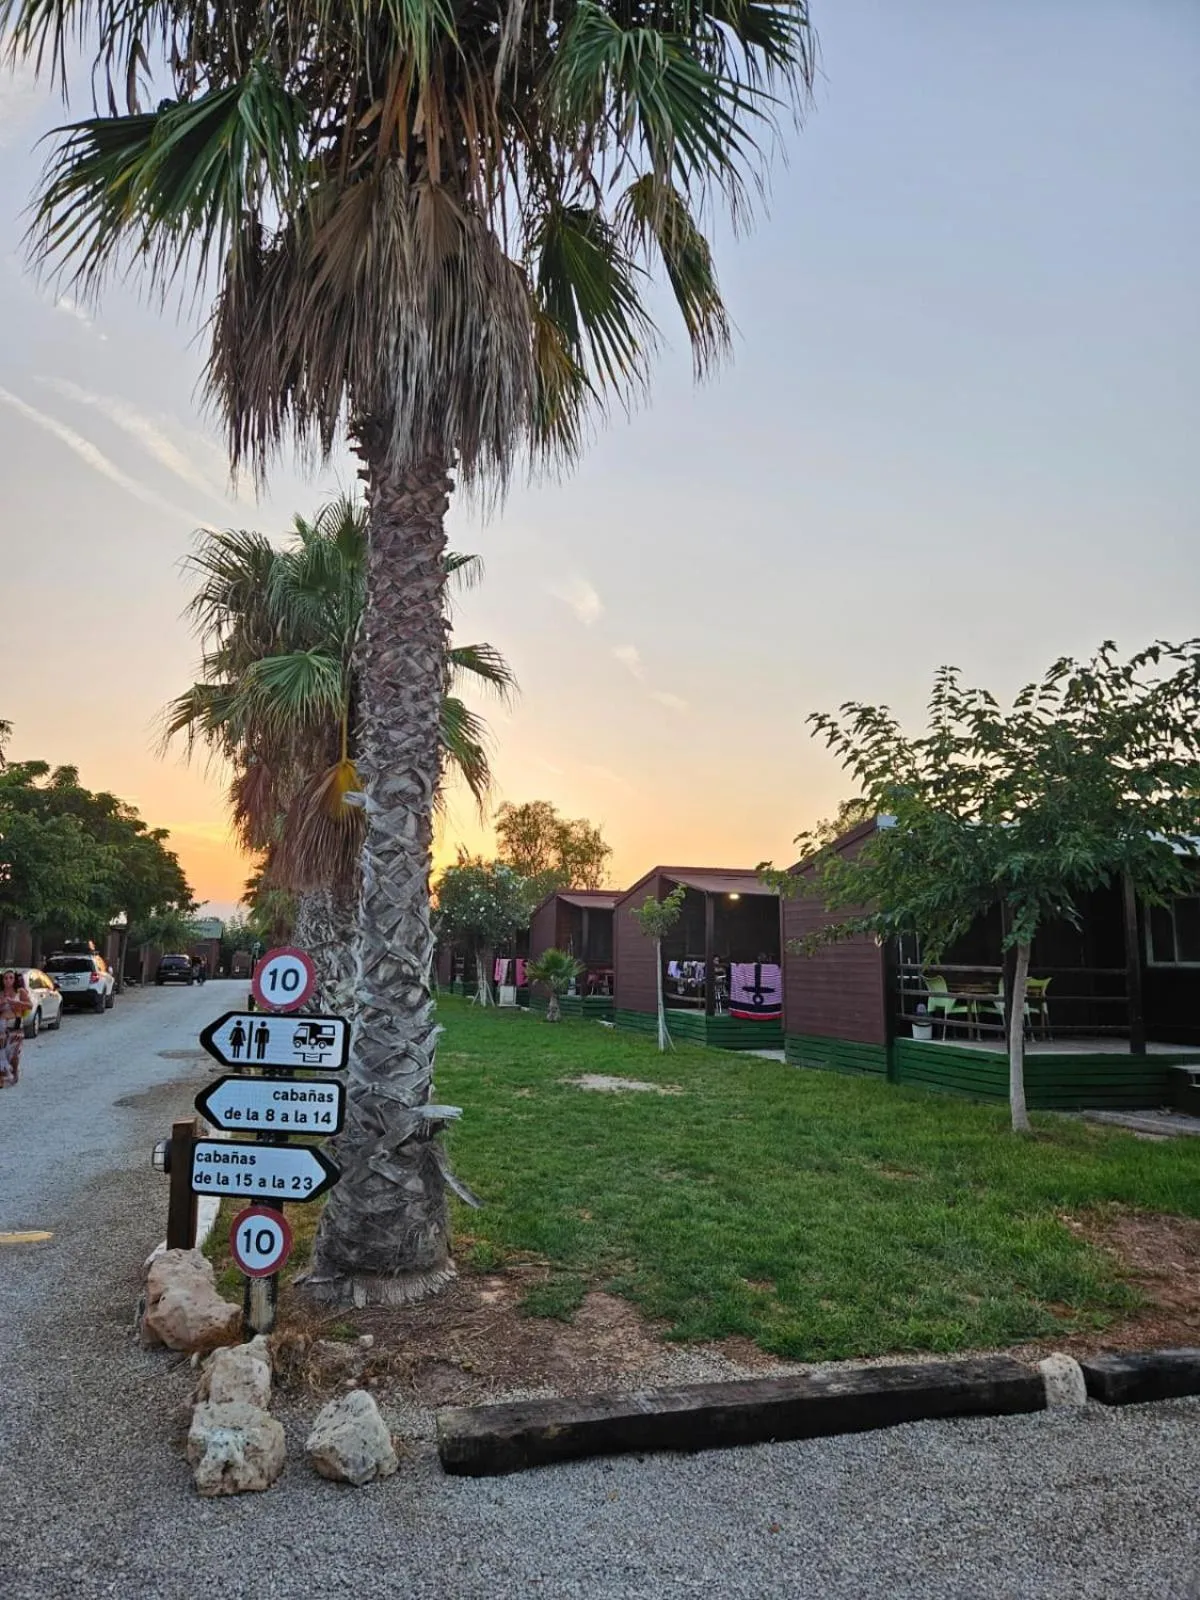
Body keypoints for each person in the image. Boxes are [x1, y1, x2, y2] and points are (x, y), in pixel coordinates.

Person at [0, 969, 33, 1087]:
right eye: (5, 978)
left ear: (14, 980)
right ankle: (3, 1078)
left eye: (11, 978)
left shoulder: (20, 992)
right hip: (2, 1029)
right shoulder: (1, 993)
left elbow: (30, 1005)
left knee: (13, 1055)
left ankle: (14, 1069)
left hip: (16, 1028)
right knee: (2, 1053)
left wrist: (17, 1004)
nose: (8, 980)